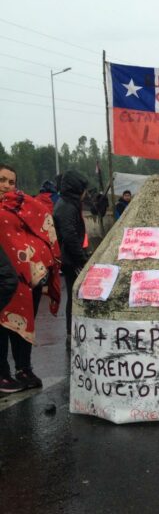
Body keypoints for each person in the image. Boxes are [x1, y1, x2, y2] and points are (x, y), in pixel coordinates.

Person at [1, 164, 61, 392]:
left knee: (25, 326)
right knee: (2, 329)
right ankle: (2, 373)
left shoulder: (25, 206)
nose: (6, 185)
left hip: (28, 281)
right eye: (1, 180)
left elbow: (42, 229)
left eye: (11, 181)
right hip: (3, 280)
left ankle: (23, 369)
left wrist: (43, 267)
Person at [53, 170, 89, 344]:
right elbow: (70, 235)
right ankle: (72, 330)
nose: (85, 193)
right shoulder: (67, 206)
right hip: (70, 259)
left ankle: (72, 329)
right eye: (83, 189)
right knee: (76, 294)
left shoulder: (68, 203)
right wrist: (82, 259)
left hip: (69, 257)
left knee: (74, 294)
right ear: (77, 189)